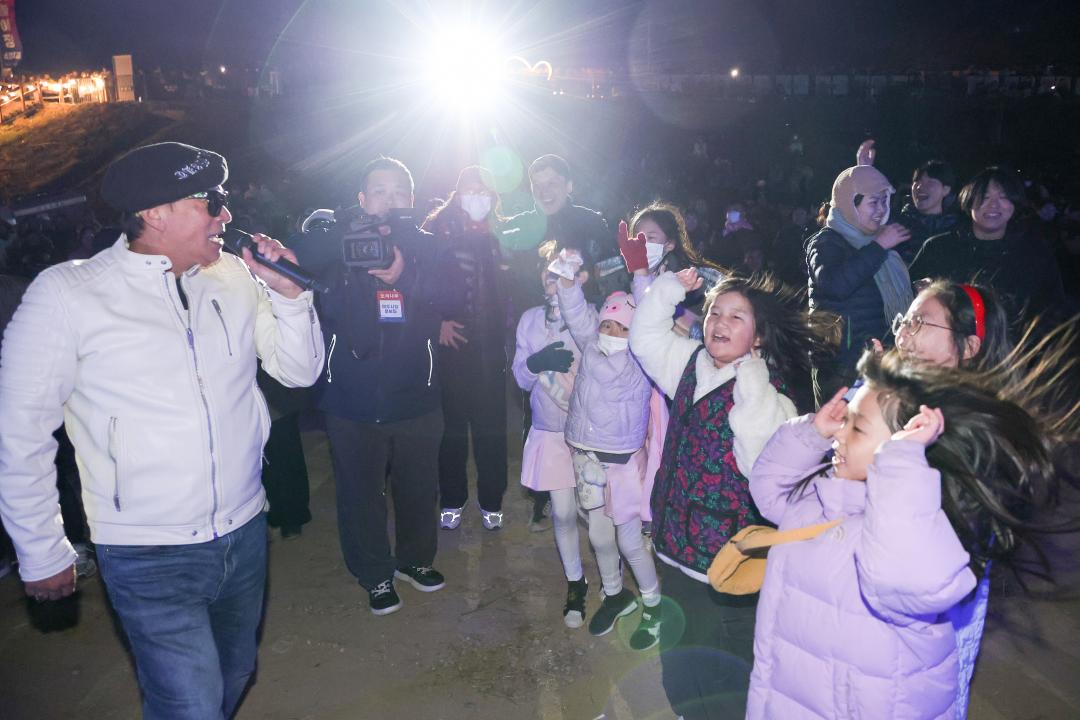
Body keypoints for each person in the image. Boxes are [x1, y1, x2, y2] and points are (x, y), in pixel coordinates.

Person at [0, 142, 324, 719]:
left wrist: (292, 298)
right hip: (146, 549)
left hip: (244, 530)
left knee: (234, 674)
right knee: (191, 704)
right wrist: (40, 546)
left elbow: (299, 373)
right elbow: (19, 432)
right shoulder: (68, 294)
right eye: (210, 201)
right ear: (154, 212)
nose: (225, 214)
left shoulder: (233, 276)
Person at [746, 347, 1079, 719]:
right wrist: (810, 436)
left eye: (857, 427)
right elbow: (768, 490)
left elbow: (901, 581)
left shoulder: (918, 529)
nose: (840, 432)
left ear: (903, 449)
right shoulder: (821, 495)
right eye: (845, 419)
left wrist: (901, 465)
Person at [629, 267, 832, 718]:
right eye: (715, 312)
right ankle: (684, 708)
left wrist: (752, 380)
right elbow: (643, 337)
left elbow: (756, 461)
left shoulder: (774, 398)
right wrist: (668, 289)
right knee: (679, 646)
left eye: (737, 317)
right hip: (677, 545)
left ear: (759, 337)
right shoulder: (689, 363)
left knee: (726, 659)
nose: (720, 322)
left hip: (728, 558)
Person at [293, 156, 463, 616]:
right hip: (350, 399)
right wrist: (342, 232)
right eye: (379, 192)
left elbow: (455, 295)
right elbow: (297, 259)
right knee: (360, 494)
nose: (390, 201)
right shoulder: (340, 241)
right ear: (362, 199)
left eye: (399, 193)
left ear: (412, 200)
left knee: (418, 488)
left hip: (417, 394)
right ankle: (375, 573)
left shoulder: (427, 245)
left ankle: (414, 561)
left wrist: (404, 274)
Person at [549, 248, 664, 650]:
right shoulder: (590, 344)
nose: (612, 333)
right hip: (586, 460)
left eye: (622, 328)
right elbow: (578, 314)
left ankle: (653, 605)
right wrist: (566, 281)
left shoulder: (640, 360)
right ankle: (616, 595)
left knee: (631, 542)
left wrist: (640, 273)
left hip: (622, 466)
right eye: (608, 324)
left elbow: (649, 313)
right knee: (599, 537)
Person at [423, 166, 509, 531]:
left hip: (492, 347)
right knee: (452, 429)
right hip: (452, 346)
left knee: (491, 428)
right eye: (470, 191)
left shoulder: (503, 233)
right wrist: (436, 322)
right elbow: (417, 283)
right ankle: (452, 498)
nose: (477, 198)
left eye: (484, 191)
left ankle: (491, 500)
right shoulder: (437, 231)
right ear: (457, 194)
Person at [909, 167, 1067, 330]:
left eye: (1003, 197)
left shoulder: (1035, 253)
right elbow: (904, 296)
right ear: (968, 201)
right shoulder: (938, 248)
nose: (993, 205)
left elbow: (1054, 313)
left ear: (1014, 203)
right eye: (984, 197)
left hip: (1017, 350)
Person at [806, 165, 914, 405]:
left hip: (878, 358)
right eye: (873, 202)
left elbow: (880, 297)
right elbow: (833, 285)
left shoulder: (873, 241)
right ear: (848, 203)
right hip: (842, 365)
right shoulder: (826, 241)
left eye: (885, 202)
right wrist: (878, 248)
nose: (881, 210)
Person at [499, 154, 613, 315]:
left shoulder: (591, 223)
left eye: (552, 183)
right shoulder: (516, 228)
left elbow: (611, 274)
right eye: (537, 185)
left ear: (569, 186)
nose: (544, 191)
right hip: (534, 323)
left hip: (586, 317)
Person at [895, 160, 961, 263]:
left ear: (946, 190)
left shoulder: (956, 229)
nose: (920, 187)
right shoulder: (897, 225)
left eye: (930, 182)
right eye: (917, 181)